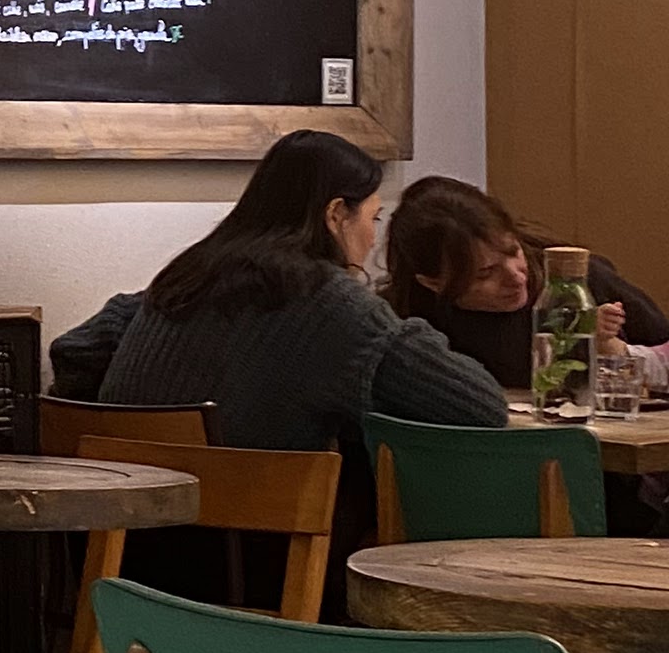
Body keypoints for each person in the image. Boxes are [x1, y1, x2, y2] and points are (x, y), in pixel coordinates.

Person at [51, 130, 510, 450]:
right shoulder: (330, 302)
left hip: (124, 541)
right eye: (372, 218)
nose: (373, 238)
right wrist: (399, 326)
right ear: (336, 215)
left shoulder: (189, 274)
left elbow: (75, 347)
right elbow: (478, 405)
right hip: (255, 546)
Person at [382, 174, 669, 399]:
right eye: (485, 273)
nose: (516, 277)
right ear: (433, 283)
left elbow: (662, 347)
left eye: (513, 251)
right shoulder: (403, 325)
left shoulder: (576, 281)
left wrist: (613, 349)